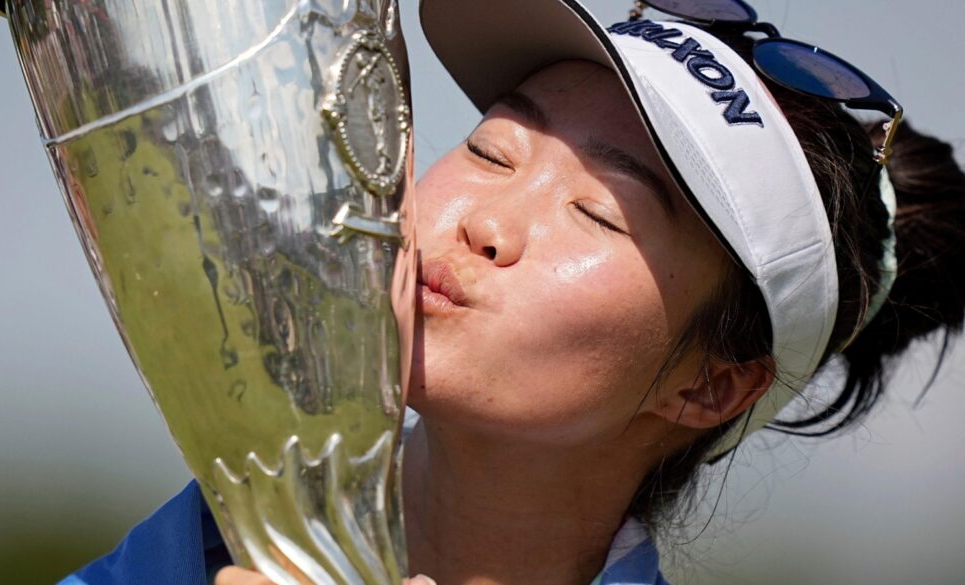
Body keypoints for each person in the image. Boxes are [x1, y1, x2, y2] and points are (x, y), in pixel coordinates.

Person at [61, 0, 965, 584]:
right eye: (493, 148)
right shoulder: (166, 559)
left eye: (599, 212)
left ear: (712, 384)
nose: (485, 222)